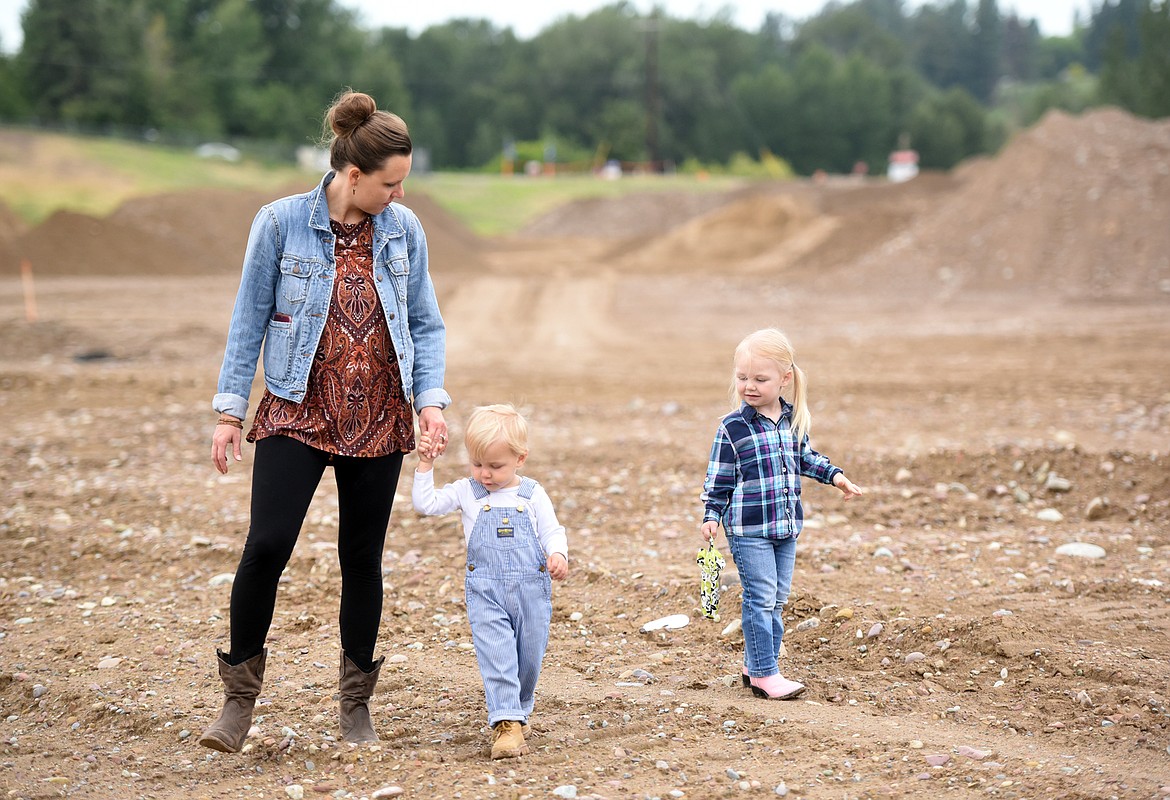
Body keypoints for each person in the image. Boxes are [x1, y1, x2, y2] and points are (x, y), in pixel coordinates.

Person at [198, 90, 452, 753]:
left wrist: (430, 401)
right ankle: (236, 704)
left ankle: (355, 710)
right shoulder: (280, 223)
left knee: (361, 559)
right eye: (390, 183)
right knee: (267, 546)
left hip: (378, 418)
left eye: (404, 183)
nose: (399, 195)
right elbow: (247, 319)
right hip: (294, 409)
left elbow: (425, 322)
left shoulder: (405, 231)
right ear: (353, 174)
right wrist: (229, 411)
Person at [700, 328, 863, 700]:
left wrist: (836, 476)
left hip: (786, 527)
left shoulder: (791, 421)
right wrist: (711, 514)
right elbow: (719, 478)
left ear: (785, 379)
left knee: (776, 599)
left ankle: (754, 662)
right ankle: (764, 673)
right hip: (748, 529)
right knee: (760, 597)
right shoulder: (732, 427)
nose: (749, 386)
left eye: (760, 379)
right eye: (742, 378)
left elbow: (805, 457)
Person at [411, 404, 569, 760]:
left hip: (532, 589)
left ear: (520, 459)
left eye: (495, 466)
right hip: (486, 591)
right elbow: (425, 505)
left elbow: (552, 530)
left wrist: (558, 555)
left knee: (528, 659)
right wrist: (425, 465)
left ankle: (518, 709)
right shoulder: (468, 492)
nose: (485, 474)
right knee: (497, 655)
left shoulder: (532, 494)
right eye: (477, 463)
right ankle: (506, 722)